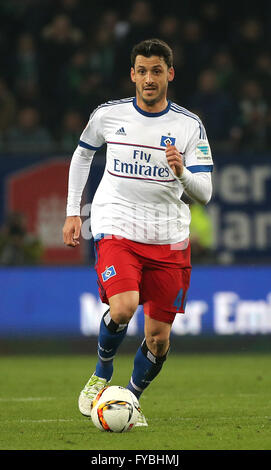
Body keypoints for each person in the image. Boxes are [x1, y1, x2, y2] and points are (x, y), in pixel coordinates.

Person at [62, 38, 213, 427]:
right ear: (132, 75)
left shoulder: (188, 125)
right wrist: (72, 212)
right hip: (117, 226)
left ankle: (130, 397)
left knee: (158, 340)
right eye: (142, 71)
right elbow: (82, 154)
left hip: (168, 239)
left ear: (170, 74)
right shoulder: (108, 115)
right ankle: (101, 373)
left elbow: (205, 193)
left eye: (157, 71)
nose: (149, 79)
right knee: (123, 306)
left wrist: (181, 172)